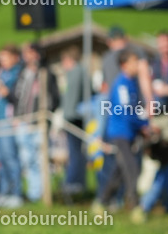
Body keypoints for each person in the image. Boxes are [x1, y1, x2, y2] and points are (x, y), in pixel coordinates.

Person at [93, 49, 150, 215]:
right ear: (124, 65)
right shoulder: (122, 84)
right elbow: (125, 112)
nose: (137, 65)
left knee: (118, 171)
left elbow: (135, 110)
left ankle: (101, 202)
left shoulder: (132, 83)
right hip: (120, 134)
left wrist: (144, 125)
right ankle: (136, 207)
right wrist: (142, 125)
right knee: (132, 168)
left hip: (129, 133)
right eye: (134, 61)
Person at [12, 43, 60, 203]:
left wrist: (46, 116)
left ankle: (44, 193)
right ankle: (33, 193)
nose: (26, 56)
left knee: (41, 159)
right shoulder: (22, 74)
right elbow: (17, 97)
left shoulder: (47, 74)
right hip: (24, 122)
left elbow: (55, 98)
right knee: (27, 159)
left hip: (39, 123)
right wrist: (17, 117)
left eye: (30, 53)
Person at [0, 44, 23, 208]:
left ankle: (16, 194)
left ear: (15, 57)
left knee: (10, 158)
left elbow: (8, 94)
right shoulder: (2, 73)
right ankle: (4, 193)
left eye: (5, 57)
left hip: (7, 122)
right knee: (1, 160)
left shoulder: (17, 74)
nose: (2, 60)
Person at [59, 47, 89, 197]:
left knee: (76, 152)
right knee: (74, 152)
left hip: (74, 118)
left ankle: (75, 183)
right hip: (72, 117)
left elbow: (73, 98)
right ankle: (75, 182)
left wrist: (67, 117)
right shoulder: (75, 72)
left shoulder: (76, 72)